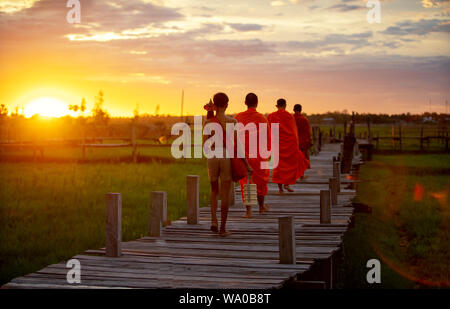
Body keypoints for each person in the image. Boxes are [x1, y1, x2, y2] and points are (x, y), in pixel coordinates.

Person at [204, 93, 252, 237]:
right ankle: (223, 228)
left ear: (215, 105)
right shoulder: (233, 122)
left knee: (214, 190)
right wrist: (247, 165)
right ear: (227, 105)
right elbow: (237, 147)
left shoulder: (208, 123)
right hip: (226, 156)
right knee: (225, 193)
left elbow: (205, 145)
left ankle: (213, 220)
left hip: (212, 155)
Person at [235, 93, 271, 218]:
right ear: (257, 103)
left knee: (247, 182)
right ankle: (261, 207)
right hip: (259, 155)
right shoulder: (262, 118)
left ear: (245, 103)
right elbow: (268, 138)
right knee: (261, 181)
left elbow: (234, 138)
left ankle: (248, 211)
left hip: (244, 156)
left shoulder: (238, 117)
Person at [268, 99, 308, 194]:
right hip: (289, 144)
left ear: (276, 106)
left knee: (278, 168)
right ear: (285, 105)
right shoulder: (289, 116)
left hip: (277, 145)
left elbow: (269, 131)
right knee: (289, 165)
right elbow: (294, 133)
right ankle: (286, 184)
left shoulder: (271, 116)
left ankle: (281, 188)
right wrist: (295, 145)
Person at [293, 104, 311, 170]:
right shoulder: (304, 119)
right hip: (302, 142)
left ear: (293, 110)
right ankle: (301, 175)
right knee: (302, 159)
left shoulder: (291, 118)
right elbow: (308, 132)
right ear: (301, 110)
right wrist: (308, 142)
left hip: (293, 142)